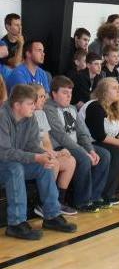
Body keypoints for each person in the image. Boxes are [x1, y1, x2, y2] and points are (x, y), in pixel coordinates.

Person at [0, 85, 77, 240]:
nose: (34, 107)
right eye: (30, 104)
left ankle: (52, 216)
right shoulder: (2, 117)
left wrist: (46, 154)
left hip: (16, 161)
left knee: (45, 166)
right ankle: (16, 224)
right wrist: (36, 157)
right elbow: (4, 153)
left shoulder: (31, 117)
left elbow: (31, 145)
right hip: (4, 163)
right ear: (17, 105)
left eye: (34, 103)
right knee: (15, 169)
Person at [45, 76, 110, 212]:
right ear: (54, 94)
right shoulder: (49, 109)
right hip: (60, 147)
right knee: (84, 158)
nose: (69, 96)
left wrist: (91, 150)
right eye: (64, 93)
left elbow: (82, 133)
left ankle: (94, 196)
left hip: (75, 145)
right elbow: (61, 136)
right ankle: (81, 201)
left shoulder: (72, 108)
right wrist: (84, 152)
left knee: (104, 154)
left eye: (70, 93)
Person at [30, 84, 77, 216]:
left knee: (70, 161)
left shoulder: (41, 114)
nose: (44, 99)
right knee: (53, 163)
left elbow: (46, 141)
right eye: (41, 96)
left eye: (44, 96)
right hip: (33, 155)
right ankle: (44, 204)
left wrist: (53, 153)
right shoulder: (25, 115)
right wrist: (52, 155)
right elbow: (30, 145)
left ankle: (58, 201)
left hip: (45, 152)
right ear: (31, 98)